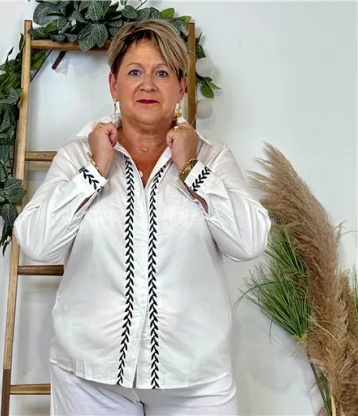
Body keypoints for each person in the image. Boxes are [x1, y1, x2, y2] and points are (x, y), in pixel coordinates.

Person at [14, 19, 271, 416]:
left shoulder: (213, 157)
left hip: (195, 378)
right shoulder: (76, 155)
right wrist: (94, 172)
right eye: (135, 72)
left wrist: (192, 169)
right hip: (88, 378)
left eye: (162, 73)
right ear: (113, 84)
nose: (148, 85)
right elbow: (37, 243)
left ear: (181, 87)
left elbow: (250, 242)